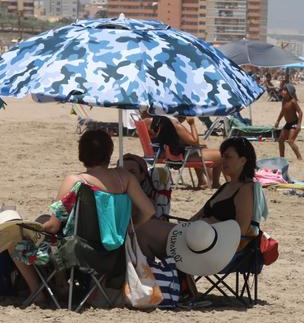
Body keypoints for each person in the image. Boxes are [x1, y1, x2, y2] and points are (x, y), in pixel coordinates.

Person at [9, 130, 159, 298]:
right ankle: (59, 284)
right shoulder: (124, 177)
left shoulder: (76, 181)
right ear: (109, 152)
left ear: (82, 153)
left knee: (15, 240)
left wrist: (29, 227)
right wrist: (129, 230)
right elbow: (149, 211)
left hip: (79, 252)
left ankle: (38, 292)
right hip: (115, 252)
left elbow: (53, 226)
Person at [191, 137, 264, 252]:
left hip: (219, 249)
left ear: (243, 161)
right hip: (200, 241)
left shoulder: (245, 190)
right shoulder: (227, 186)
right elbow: (197, 216)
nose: (223, 161)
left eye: (228, 157)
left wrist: (209, 223)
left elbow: (241, 231)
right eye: (223, 156)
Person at [152, 115, 223, 189]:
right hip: (180, 156)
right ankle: (216, 183)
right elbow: (194, 142)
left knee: (201, 149)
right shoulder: (176, 124)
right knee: (222, 154)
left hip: (171, 154)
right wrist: (192, 124)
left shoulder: (162, 121)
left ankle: (203, 181)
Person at [274, 84, 304, 161]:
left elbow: (300, 112)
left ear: (289, 92)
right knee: (280, 140)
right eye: (283, 90)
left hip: (294, 123)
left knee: (290, 141)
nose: (283, 92)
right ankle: (282, 158)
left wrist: (299, 125)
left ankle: (299, 157)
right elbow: (282, 111)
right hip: (288, 123)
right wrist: (278, 120)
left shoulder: (293, 101)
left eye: (285, 90)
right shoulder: (283, 101)